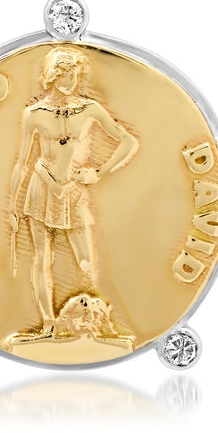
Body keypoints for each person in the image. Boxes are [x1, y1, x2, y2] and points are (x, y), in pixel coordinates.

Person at [9, 46, 139, 340]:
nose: (70, 80)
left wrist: (99, 172)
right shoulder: (33, 114)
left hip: (74, 191)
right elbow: (21, 162)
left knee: (86, 260)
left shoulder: (90, 109)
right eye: (64, 73)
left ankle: (96, 320)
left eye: (74, 74)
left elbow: (128, 141)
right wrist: (13, 207)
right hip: (41, 188)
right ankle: (48, 324)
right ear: (52, 76)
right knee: (41, 258)